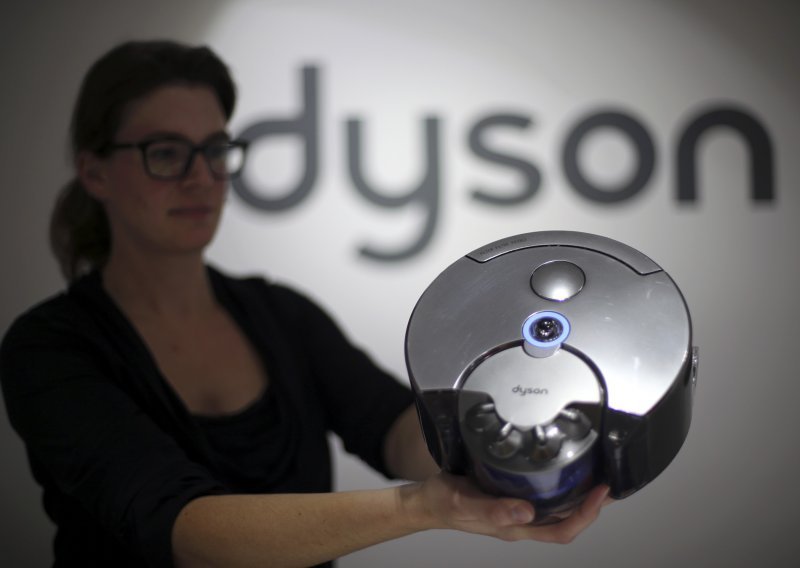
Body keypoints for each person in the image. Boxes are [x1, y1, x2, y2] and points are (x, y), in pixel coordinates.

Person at [0, 40, 610, 568]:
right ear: (95, 173)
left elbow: (395, 428)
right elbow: (188, 533)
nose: (201, 177)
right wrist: (425, 507)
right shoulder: (50, 348)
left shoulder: (280, 314)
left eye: (214, 149)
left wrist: (515, 448)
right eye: (165, 153)